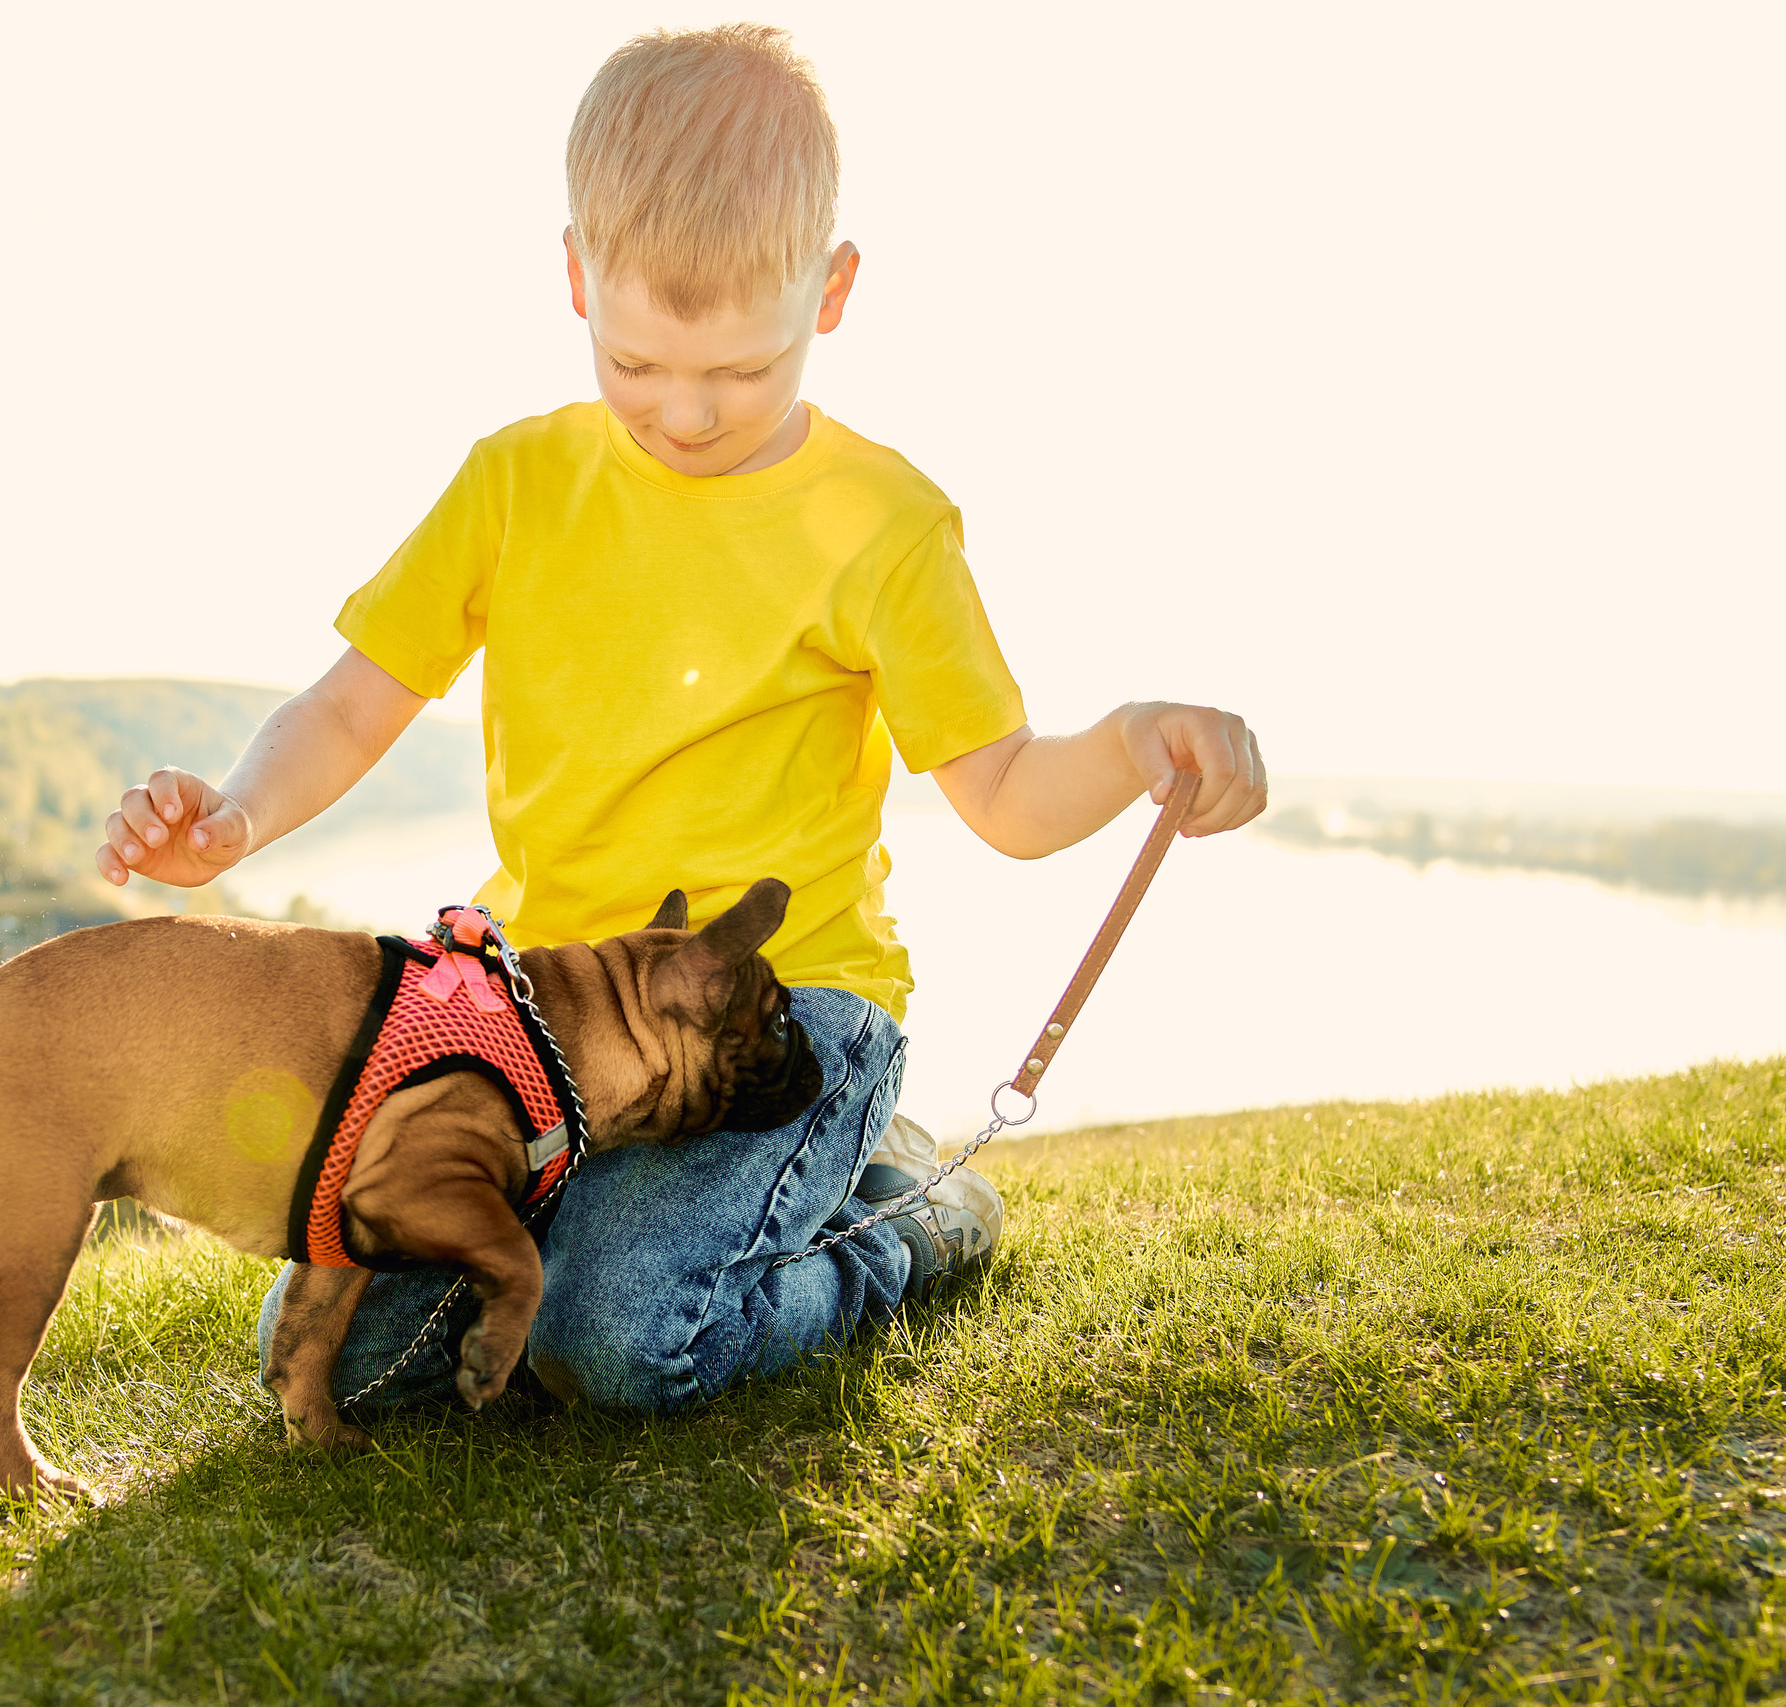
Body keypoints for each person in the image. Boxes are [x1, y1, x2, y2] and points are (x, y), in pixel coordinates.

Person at [95, 24, 1266, 1415]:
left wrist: (1133, 744)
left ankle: (900, 1222)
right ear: (577, 276)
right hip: (540, 1018)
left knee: (620, 1337)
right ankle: (591, 1218)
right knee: (344, 1366)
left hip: (792, 1007)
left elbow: (1005, 792)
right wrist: (233, 817)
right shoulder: (514, 484)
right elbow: (355, 704)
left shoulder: (884, 525)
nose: (688, 415)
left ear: (830, 293)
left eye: (743, 371)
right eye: (638, 364)